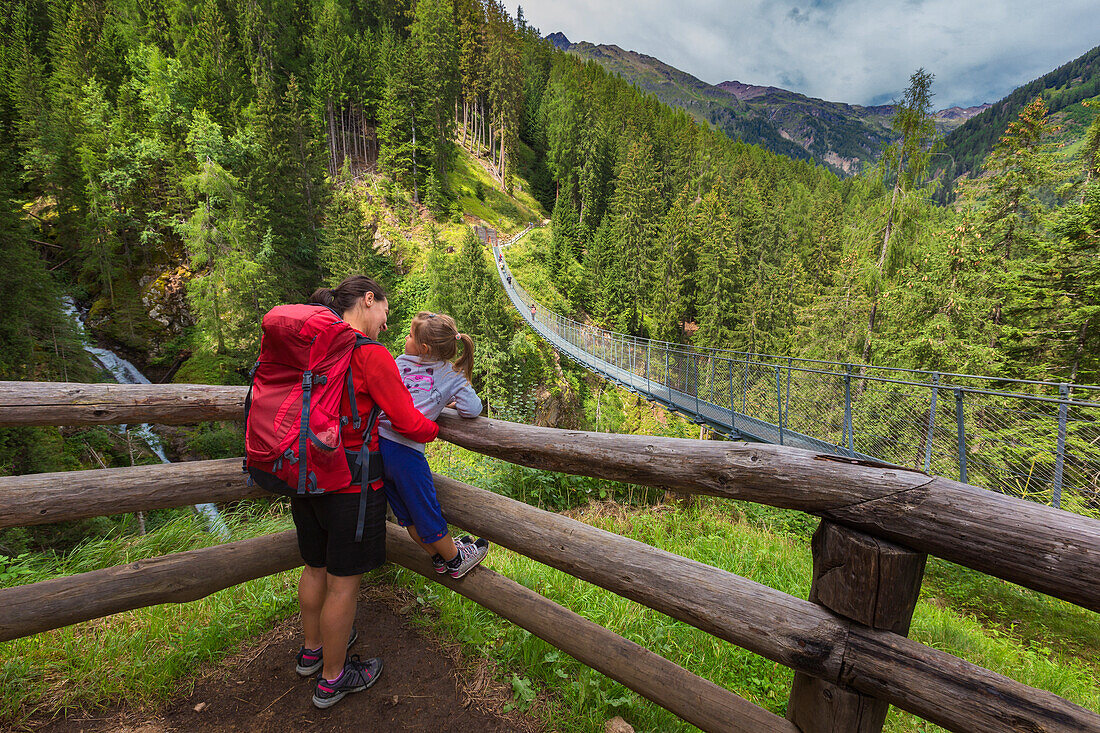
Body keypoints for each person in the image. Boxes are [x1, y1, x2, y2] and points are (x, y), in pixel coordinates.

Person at [293, 276, 439, 710]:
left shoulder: (314, 343)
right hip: (350, 482)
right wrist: (435, 428)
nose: (386, 325)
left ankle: (311, 653)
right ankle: (333, 680)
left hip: (304, 474)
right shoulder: (369, 354)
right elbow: (409, 422)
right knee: (343, 584)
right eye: (385, 313)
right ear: (368, 301)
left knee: (315, 567)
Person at [378, 311, 490, 579]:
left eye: (409, 335)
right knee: (426, 511)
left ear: (423, 347)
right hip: (407, 454)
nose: (405, 338)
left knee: (407, 515)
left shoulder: (399, 362)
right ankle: (456, 560)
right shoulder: (451, 374)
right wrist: (446, 401)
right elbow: (473, 409)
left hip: (379, 447)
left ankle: (438, 557)